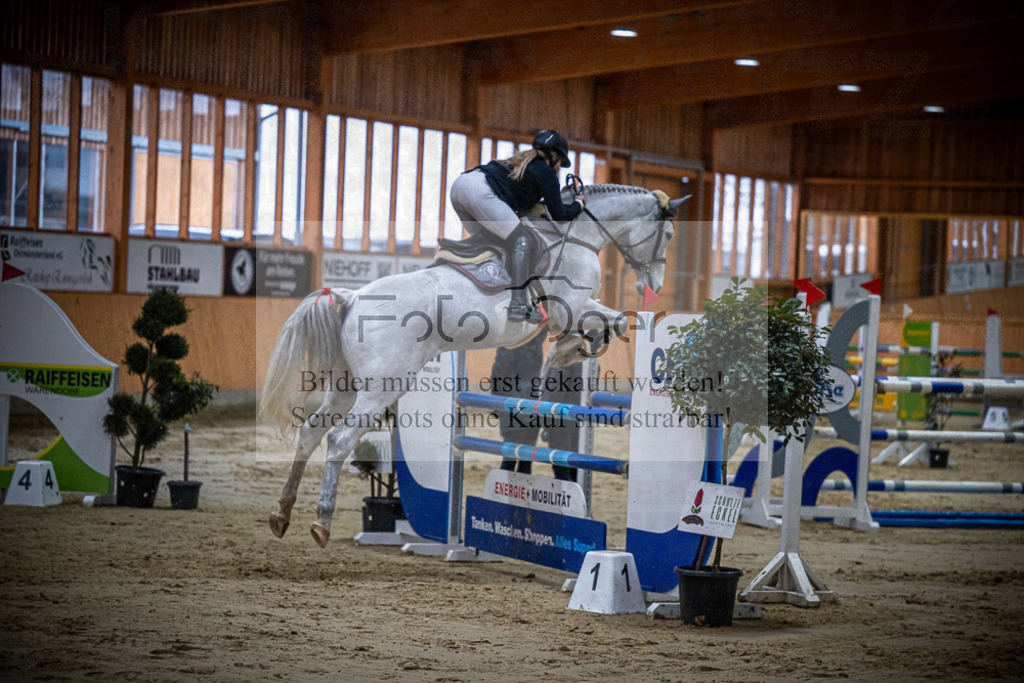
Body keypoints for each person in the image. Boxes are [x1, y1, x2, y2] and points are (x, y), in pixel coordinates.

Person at [450, 129, 585, 322]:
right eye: (560, 164)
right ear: (554, 156)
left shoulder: (522, 162)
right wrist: (579, 204)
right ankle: (518, 304)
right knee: (522, 240)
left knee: (494, 243)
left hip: (460, 186)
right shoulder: (545, 171)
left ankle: (489, 294)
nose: (558, 169)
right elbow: (560, 214)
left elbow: (518, 203)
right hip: (480, 190)